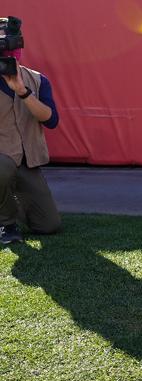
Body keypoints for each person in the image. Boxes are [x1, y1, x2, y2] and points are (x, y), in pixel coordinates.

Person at [0, 45, 60, 245]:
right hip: (2, 161)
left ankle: (9, 203)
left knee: (48, 225)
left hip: (26, 162)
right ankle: (6, 224)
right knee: (2, 167)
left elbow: (51, 120)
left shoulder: (37, 79)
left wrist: (22, 91)